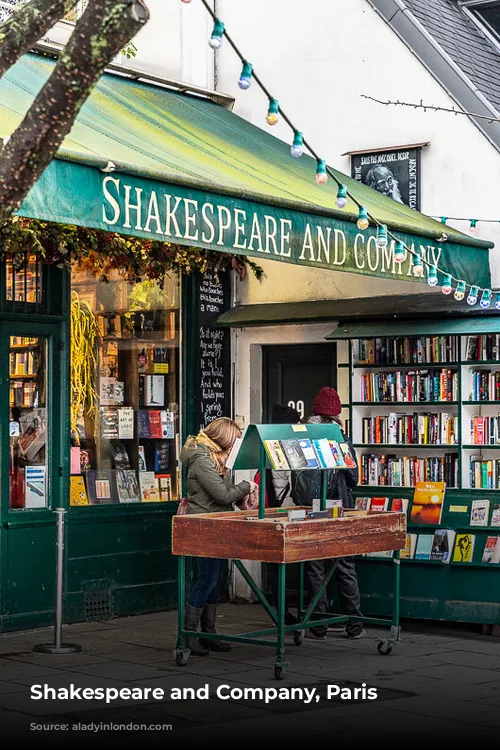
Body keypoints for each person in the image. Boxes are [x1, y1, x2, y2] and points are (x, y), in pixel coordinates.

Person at [291, 387, 365, 640]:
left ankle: (318, 625)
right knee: (344, 565)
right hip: (337, 508)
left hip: (309, 508)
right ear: (335, 413)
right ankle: (354, 625)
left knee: (315, 567)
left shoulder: (302, 435)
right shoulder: (338, 437)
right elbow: (353, 477)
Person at [180, 416, 257, 656]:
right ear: (223, 439)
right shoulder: (202, 460)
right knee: (206, 579)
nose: (235, 446)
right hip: (204, 526)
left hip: (218, 524)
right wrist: (247, 486)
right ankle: (190, 634)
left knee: (216, 579)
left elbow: (223, 497)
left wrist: (240, 498)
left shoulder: (215, 458)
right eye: (233, 441)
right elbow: (222, 495)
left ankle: (208, 632)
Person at [261, 404, 300, 625]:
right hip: (284, 511)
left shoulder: (268, 446)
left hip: (274, 511)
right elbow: (285, 483)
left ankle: (280, 609)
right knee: (280, 563)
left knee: (277, 564)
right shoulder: (285, 449)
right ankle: (282, 611)